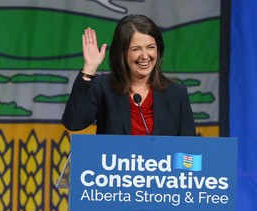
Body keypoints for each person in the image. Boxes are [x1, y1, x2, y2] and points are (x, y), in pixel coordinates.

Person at [62, 14, 196, 136]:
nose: (145, 56)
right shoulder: (103, 88)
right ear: (122, 53)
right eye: (136, 49)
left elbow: (190, 149)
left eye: (150, 47)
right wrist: (89, 68)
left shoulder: (176, 93)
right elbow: (73, 123)